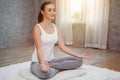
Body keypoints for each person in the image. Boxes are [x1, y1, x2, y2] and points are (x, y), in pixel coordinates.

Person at [30, 1, 92, 79]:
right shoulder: (37, 28)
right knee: (45, 74)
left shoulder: (56, 28)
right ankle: (59, 69)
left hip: (52, 61)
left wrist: (79, 55)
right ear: (42, 12)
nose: (53, 12)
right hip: (37, 62)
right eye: (49, 10)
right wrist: (42, 63)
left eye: (54, 10)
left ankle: (52, 67)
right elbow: (39, 49)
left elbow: (63, 47)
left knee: (79, 61)